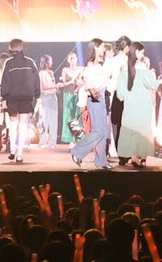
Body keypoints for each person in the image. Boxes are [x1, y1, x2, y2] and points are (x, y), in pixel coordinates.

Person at [69, 42, 115, 170]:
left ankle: (101, 161)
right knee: (99, 130)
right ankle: (77, 151)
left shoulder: (103, 62)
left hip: (101, 95)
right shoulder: (91, 63)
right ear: (96, 47)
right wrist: (92, 90)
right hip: (95, 96)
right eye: (102, 47)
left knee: (104, 131)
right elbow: (86, 78)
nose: (104, 50)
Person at [0, 39, 42, 162]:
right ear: (23, 48)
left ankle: (12, 149)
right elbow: (36, 80)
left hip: (12, 98)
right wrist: (36, 94)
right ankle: (19, 154)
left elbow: (5, 81)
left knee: (13, 124)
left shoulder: (8, 63)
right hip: (26, 98)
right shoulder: (30, 62)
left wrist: (4, 98)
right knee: (23, 125)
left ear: (11, 48)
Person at [115, 44, 158, 166]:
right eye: (141, 52)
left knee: (132, 128)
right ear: (137, 51)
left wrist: (124, 97)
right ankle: (142, 158)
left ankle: (134, 156)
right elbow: (151, 85)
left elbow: (120, 89)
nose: (142, 55)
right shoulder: (141, 66)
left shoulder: (124, 66)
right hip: (142, 101)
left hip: (130, 102)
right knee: (143, 129)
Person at [58, 50, 83, 143]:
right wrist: (71, 82)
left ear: (76, 59)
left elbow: (82, 81)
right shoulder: (65, 69)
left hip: (78, 93)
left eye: (74, 58)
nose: (72, 60)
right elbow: (64, 83)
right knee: (68, 115)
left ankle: (78, 138)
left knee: (77, 115)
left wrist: (78, 86)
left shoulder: (81, 69)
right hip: (67, 93)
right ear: (68, 60)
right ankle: (70, 139)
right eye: (71, 58)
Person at [37, 55, 60, 151]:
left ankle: (52, 142)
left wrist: (55, 85)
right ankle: (42, 141)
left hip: (53, 97)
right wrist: (56, 85)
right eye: (50, 61)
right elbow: (44, 86)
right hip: (45, 97)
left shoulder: (51, 72)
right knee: (44, 120)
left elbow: (52, 84)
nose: (52, 63)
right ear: (46, 62)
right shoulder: (41, 73)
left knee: (54, 120)